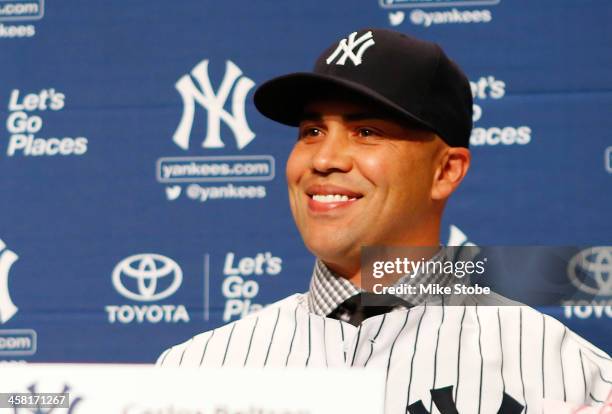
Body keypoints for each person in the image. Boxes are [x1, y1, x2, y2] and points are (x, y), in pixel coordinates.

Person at [157, 28, 611, 413]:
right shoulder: (195, 371)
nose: (325, 158)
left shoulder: (563, 371)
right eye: (312, 132)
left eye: (366, 131)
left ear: (445, 171)